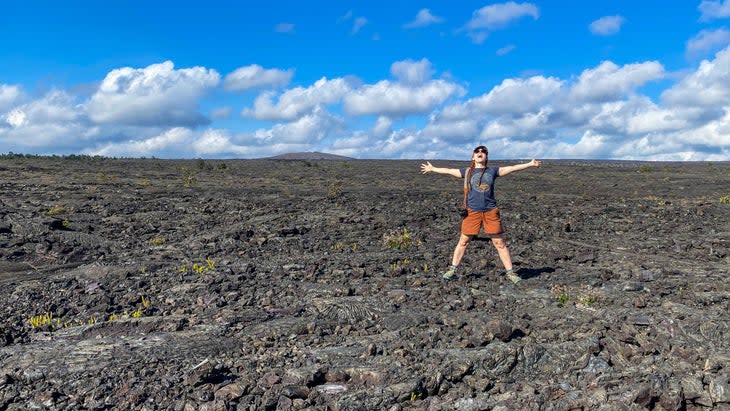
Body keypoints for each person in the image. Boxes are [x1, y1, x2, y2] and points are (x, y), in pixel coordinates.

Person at [420, 145, 542, 283]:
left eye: (483, 152)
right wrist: (433, 168)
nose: (480, 153)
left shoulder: (493, 170)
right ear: (473, 157)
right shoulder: (466, 172)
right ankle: (452, 270)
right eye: (477, 151)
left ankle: (511, 273)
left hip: (490, 211)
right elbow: (449, 170)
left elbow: (512, 168)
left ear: (486, 156)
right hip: (472, 212)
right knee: (464, 241)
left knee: (499, 243)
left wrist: (530, 164)